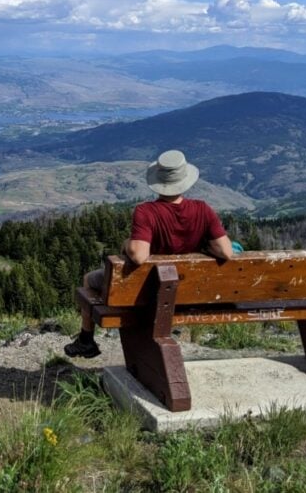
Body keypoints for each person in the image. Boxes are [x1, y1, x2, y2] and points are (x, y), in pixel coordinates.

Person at [64, 149, 235, 358]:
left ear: (158, 183)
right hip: (192, 292)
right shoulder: (203, 209)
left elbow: (138, 255)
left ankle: (86, 340)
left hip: (150, 290)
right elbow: (226, 251)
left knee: (89, 279)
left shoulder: (147, 212)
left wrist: (127, 243)